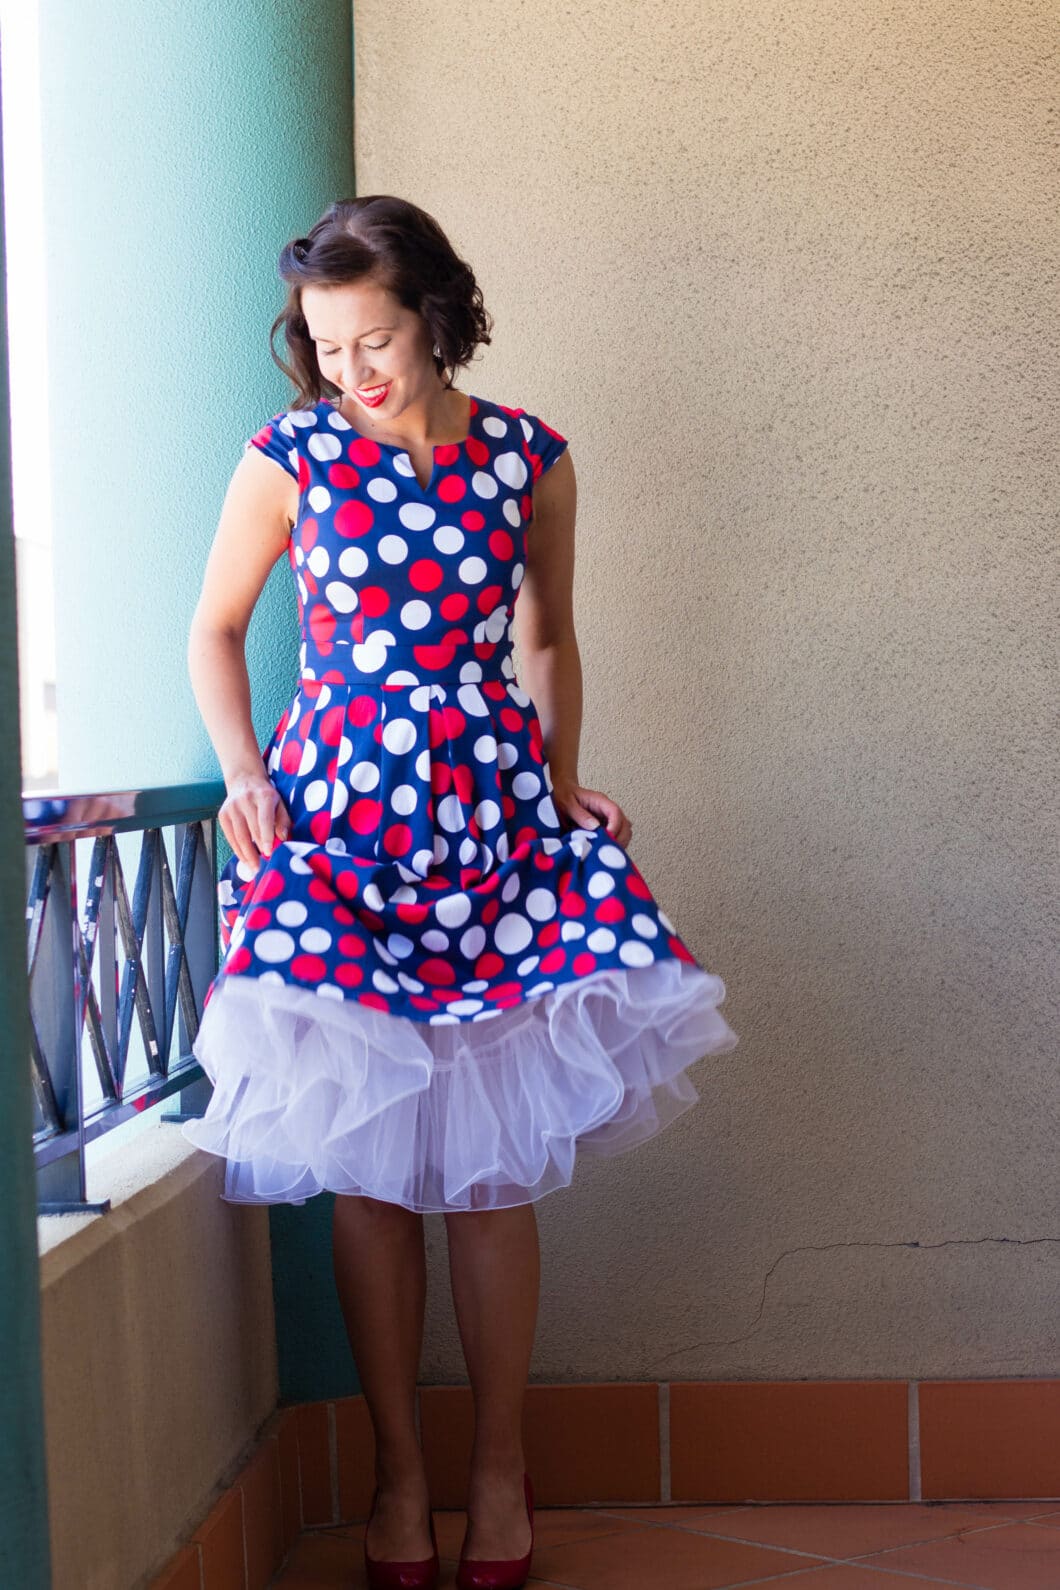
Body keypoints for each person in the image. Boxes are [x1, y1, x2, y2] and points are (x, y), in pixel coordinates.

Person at [181, 195, 739, 1590]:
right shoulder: (291, 456)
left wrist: (563, 781)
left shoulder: (529, 459)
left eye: (373, 339)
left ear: (436, 312)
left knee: (489, 1172)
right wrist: (245, 769)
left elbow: (548, 637)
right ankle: (399, 1471)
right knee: (370, 1166)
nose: (352, 370)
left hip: (490, 819)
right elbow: (216, 628)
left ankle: (498, 1469)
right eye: (325, 344)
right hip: (340, 823)